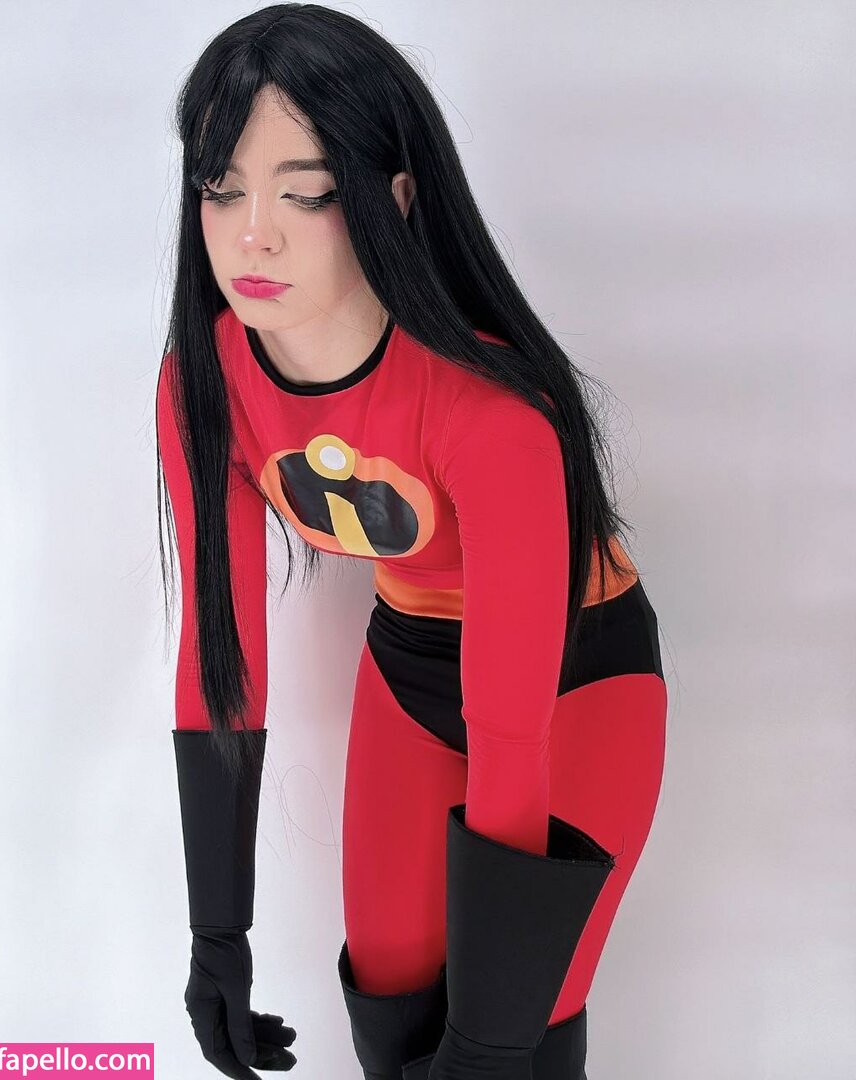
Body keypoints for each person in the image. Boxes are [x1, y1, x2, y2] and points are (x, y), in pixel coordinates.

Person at [155, 5, 668, 1079]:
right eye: (220, 188)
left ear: (390, 198)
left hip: (574, 683)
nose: (252, 234)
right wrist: (216, 939)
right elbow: (220, 654)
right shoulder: (205, 380)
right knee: (387, 997)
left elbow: (513, 722)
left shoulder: (490, 413)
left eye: (304, 192)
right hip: (411, 662)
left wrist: (487, 1038)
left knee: (520, 1031)